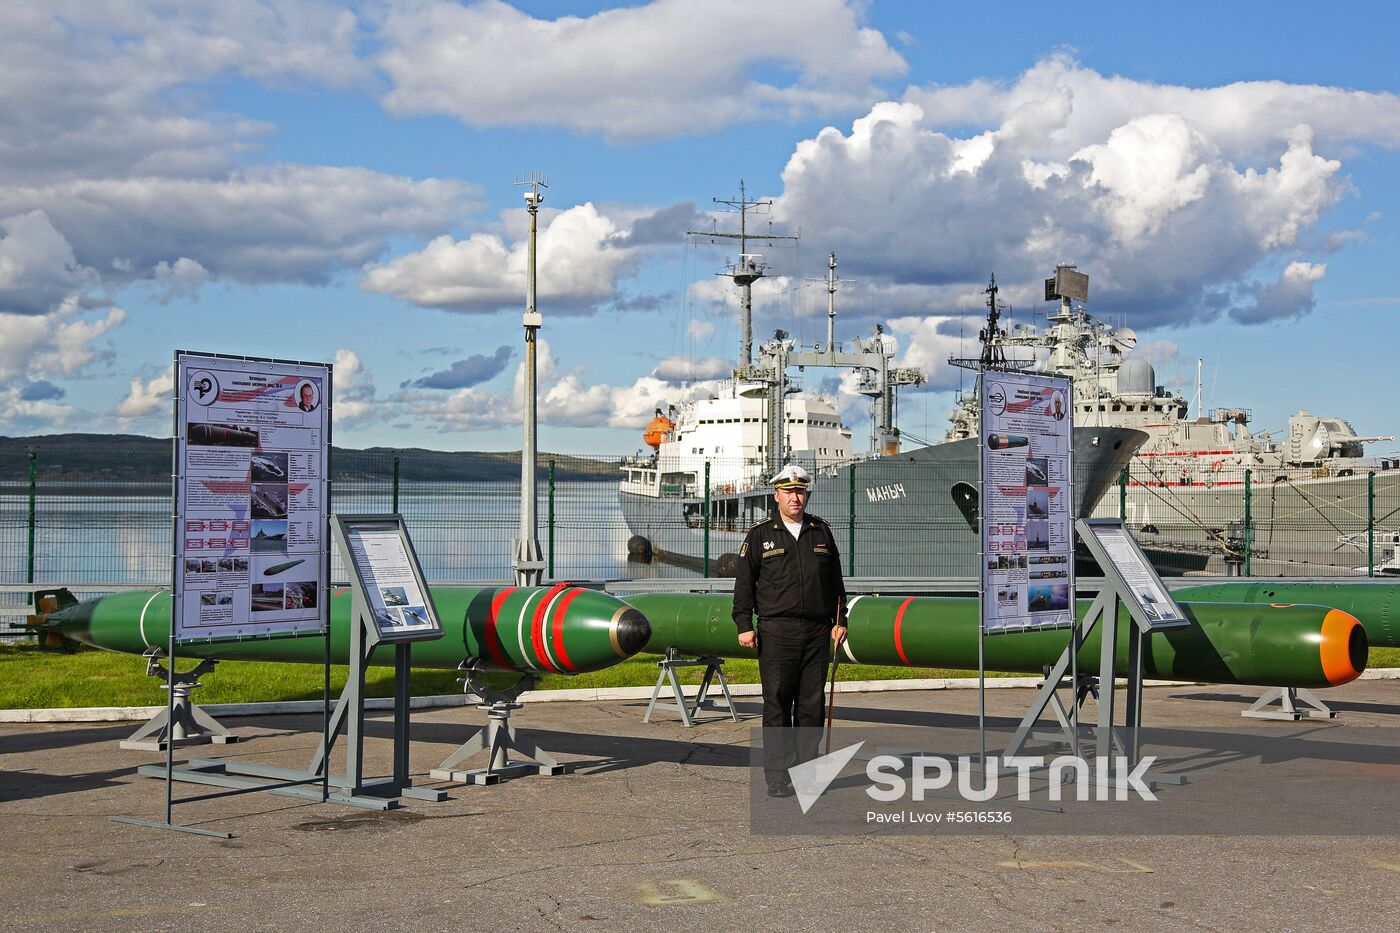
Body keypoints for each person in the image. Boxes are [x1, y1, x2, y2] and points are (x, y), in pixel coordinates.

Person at [732, 464, 848, 797]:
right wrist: (744, 624)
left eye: (800, 491)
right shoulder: (760, 534)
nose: (795, 497)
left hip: (816, 630)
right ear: (776, 495)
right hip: (777, 629)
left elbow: (836, 583)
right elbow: (745, 584)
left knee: (811, 706)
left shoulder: (821, 532)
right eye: (788, 492)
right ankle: (778, 776)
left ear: (807, 494)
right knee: (779, 703)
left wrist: (841, 621)